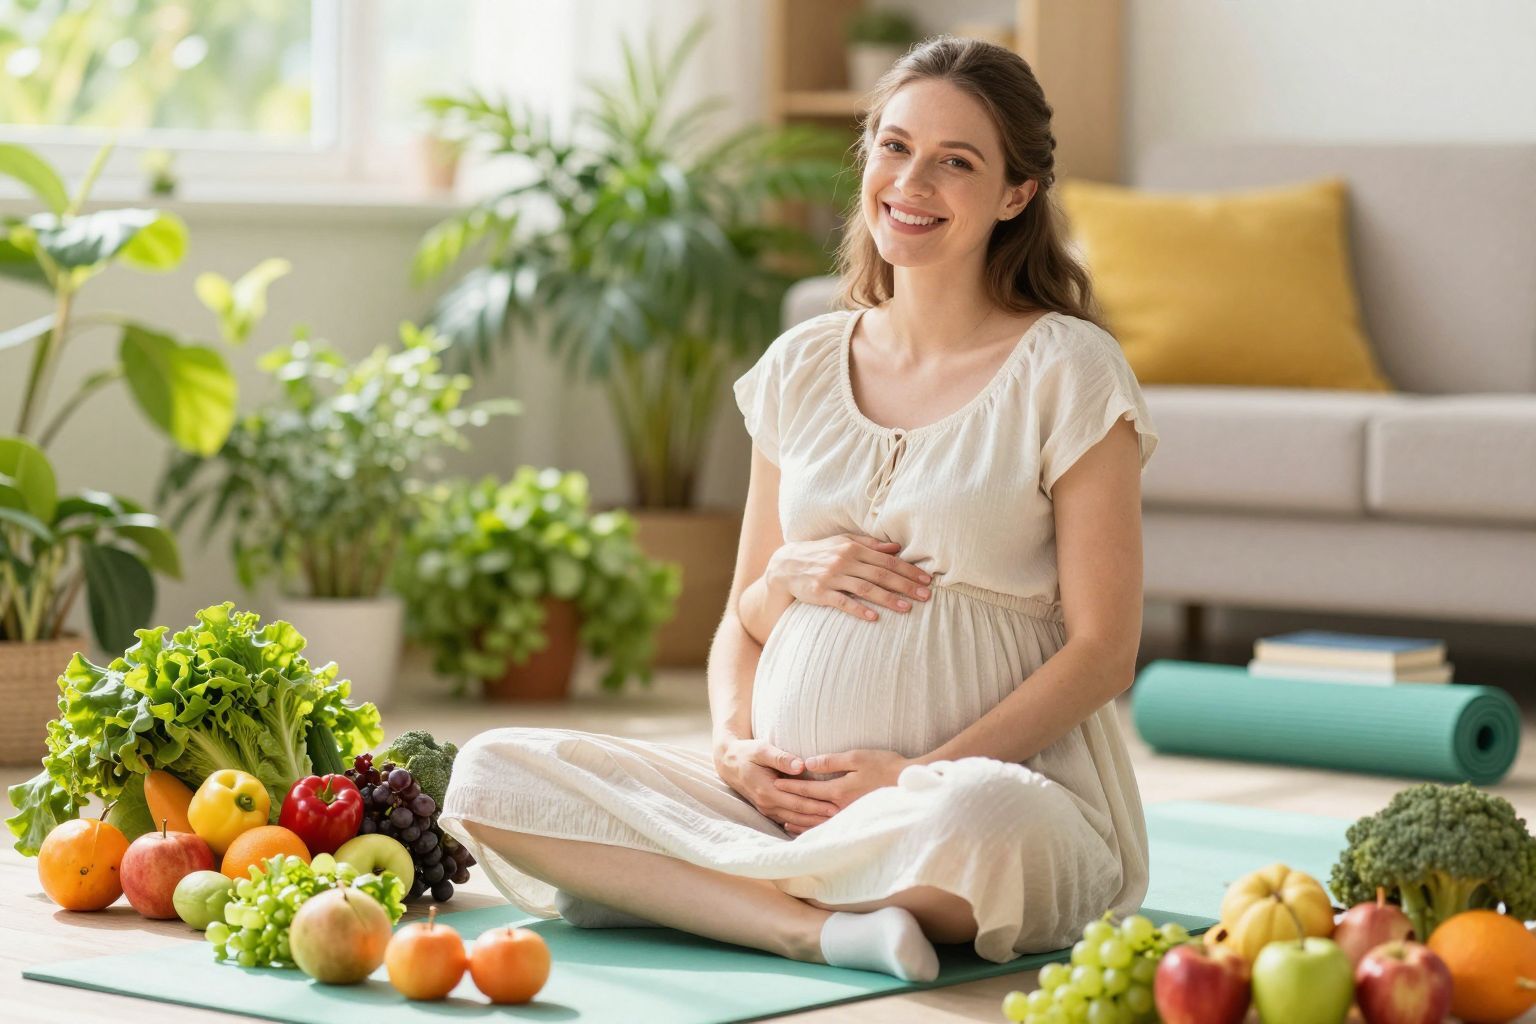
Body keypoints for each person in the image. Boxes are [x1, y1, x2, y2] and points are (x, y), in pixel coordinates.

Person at [438, 35, 1159, 984]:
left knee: (984, 822)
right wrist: (736, 749)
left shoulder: (1067, 368)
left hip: (960, 801)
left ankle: (714, 891)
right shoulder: (801, 364)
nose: (913, 181)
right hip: (777, 805)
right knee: (489, 774)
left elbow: (1105, 650)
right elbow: (740, 621)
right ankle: (815, 927)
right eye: (895, 147)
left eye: (957, 161)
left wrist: (916, 776)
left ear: (1016, 194)